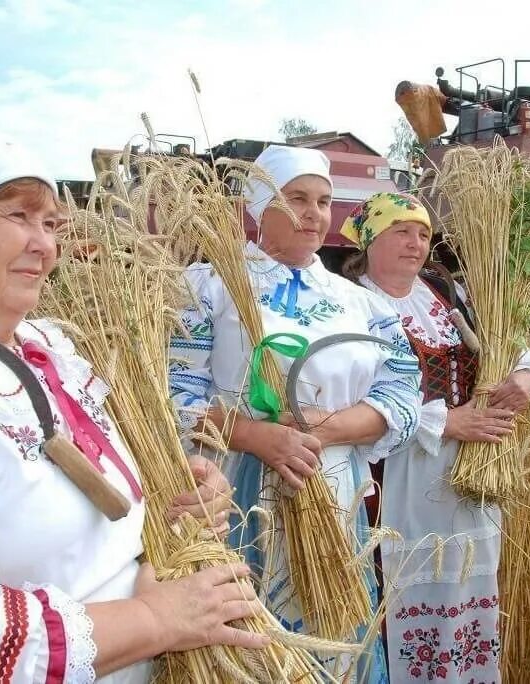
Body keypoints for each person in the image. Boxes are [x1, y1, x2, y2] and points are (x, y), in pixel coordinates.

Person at [0, 133, 269, 683]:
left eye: (52, 225)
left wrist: (173, 499)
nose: (45, 245)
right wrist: (157, 618)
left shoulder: (47, 353)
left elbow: (79, 524)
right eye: (19, 216)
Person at [168, 145, 423, 681]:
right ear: (261, 203)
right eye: (297, 198)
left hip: (333, 490)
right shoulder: (209, 286)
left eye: (324, 201)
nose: (313, 213)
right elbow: (174, 391)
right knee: (252, 639)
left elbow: (402, 393)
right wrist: (258, 437)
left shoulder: (361, 302)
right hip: (237, 491)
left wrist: (320, 432)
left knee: (334, 633)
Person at [341, 191, 530, 683]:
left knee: (464, 590)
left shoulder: (444, 295)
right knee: (398, 588)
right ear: (370, 239)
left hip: (469, 480)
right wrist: (448, 422)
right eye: (401, 231)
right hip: (396, 474)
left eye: (423, 234)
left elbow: (505, 346)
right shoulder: (352, 303)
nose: (415, 243)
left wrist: (523, 377)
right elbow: (352, 394)